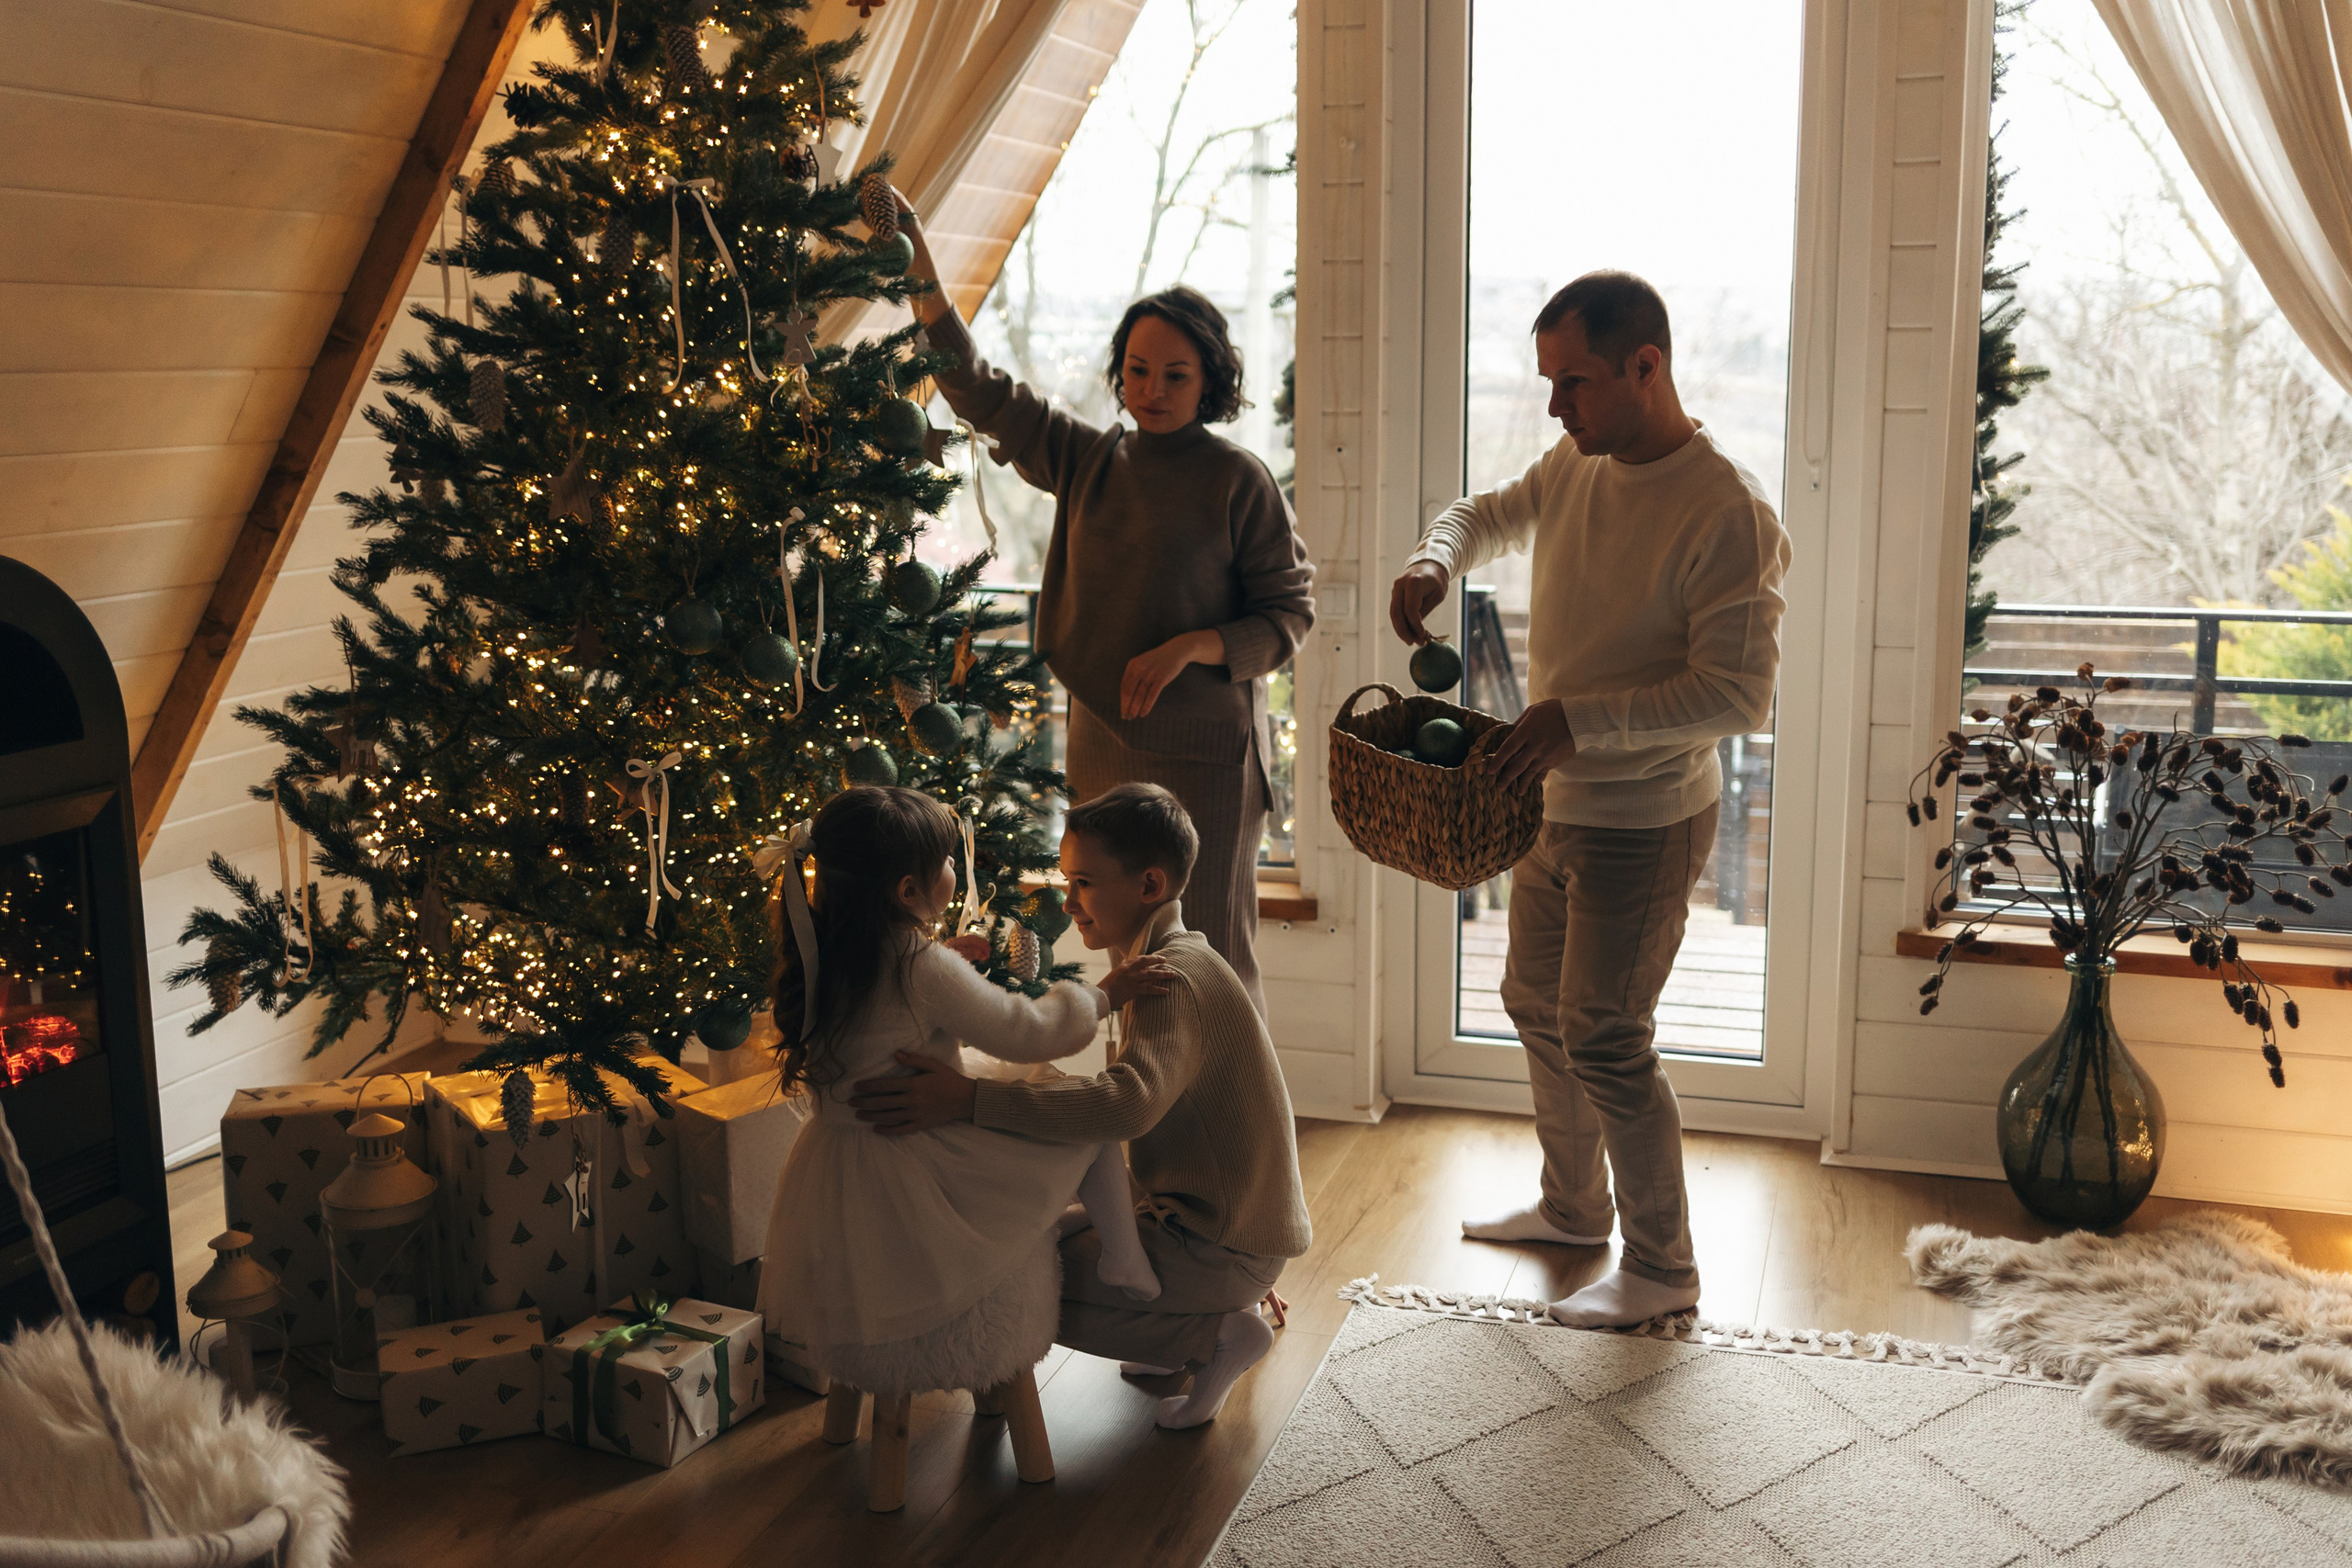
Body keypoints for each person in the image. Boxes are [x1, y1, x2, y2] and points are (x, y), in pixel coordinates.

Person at [1389, 271, 1791, 1329]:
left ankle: (1664, 1270)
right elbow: (1482, 513)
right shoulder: (1576, 466)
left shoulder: (1729, 511)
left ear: (1644, 368)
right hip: (1549, 797)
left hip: (1648, 818)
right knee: (1533, 1005)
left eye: (1572, 383)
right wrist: (1434, 563)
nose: (1556, 408)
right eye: (1548, 384)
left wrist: (1577, 721)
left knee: (1605, 1033)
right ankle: (1573, 1211)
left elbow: (1738, 695)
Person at [893, 187, 1314, 1016]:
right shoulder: (1088, 459)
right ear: (1119, 374)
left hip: (1208, 763)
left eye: (1176, 374)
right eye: (1138, 370)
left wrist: (1191, 646)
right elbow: (977, 389)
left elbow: (1289, 615)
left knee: (1214, 957)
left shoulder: (1240, 480)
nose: (1153, 389)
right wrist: (923, 279)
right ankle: (1148, 1126)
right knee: (1127, 959)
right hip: (1102, 747)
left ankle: (1239, 1129)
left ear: (1212, 382)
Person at [849, 783, 1311, 1429]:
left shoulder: (1171, 980)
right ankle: (1181, 1323)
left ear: (1149, 884)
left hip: (1222, 1244)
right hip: (1213, 1225)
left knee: (1004, 1281)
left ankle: (1211, 1338)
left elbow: (1126, 1106)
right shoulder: (1166, 960)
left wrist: (968, 1098)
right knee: (1042, 1238)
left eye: (1084, 882)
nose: (1067, 903)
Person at [755, 786, 1176, 1395]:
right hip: (925, 1154)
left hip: (846, 1160)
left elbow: (885, 1016)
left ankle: (1087, 1230)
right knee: (1083, 1113)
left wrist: (946, 965)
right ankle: (1123, 1253)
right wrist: (1106, 993)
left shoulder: (824, 956)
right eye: (950, 861)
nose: (956, 870)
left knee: (1030, 1099)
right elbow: (1024, 1032)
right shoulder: (920, 969)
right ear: (907, 891)